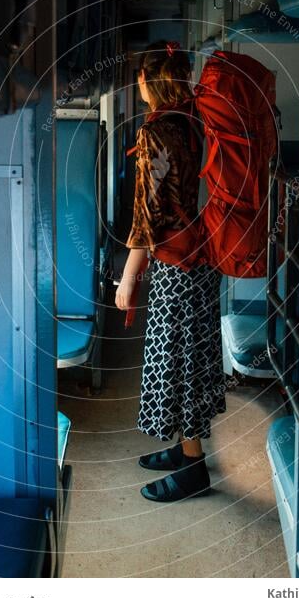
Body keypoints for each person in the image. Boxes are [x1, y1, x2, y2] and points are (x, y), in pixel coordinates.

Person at [115, 40, 226, 502]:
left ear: (147, 80)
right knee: (190, 355)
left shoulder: (158, 131)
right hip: (203, 254)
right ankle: (185, 449)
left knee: (179, 360)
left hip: (178, 262)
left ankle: (193, 468)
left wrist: (127, 277)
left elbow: (149, 213)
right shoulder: (196, 120)